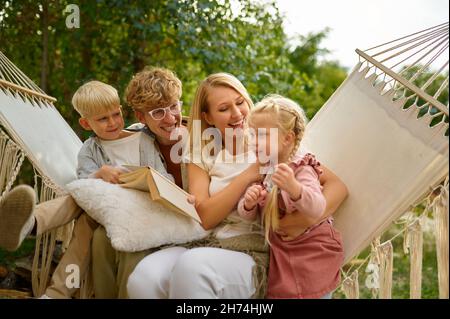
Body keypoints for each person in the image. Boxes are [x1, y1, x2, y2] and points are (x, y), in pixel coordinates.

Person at [126, 73, 348, 298]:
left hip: (255, 247)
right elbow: (206, 217)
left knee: (194, 267)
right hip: (208, 241)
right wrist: (248, 175)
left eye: (240, 102)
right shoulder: (203, 154)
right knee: (145, 277)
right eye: (223, 109)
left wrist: (304, 220)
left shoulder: (271, 142)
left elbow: (337, 187)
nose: (237, 113)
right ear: (208, 117)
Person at [0, 79, 173, 298]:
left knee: (79, 207)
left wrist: (133, 179)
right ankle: (29, 233)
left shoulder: (143, 140)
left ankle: (33, 226)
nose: (112, 122)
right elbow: (85, 186)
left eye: (115, 114)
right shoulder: (89, 150)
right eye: (102, 119)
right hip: (105, 209)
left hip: (139, 207)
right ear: (86, 124)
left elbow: (163, 178)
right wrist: (99, 174)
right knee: (82, 217)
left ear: (121, 110)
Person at [90, 66, 188, 298]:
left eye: (174, 106)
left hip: (182, 221)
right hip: (145, 212)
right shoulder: (132, 138)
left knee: (132, 245)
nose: (171, 118)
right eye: (158, 113)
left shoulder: (201, 138)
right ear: (141, 117)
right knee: (100, 238)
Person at [237, 94, 344, 299]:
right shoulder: (266, 169)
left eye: (262, 135)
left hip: (312, 251)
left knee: (311, 292)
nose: (254, 141)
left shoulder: (302, 168)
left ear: (287, 138)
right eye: (252, 135)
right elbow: (252, 216)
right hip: (284, 254)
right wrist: (249, 204)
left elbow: (317, 208)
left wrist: (295, 189)